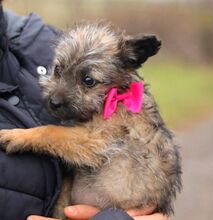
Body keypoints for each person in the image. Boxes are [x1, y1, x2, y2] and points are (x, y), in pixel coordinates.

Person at [0, 1, 168, 220]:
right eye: (58, 71)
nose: (57, 96)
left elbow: (91, 144)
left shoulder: (34, 38)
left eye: (88, 82)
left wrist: (34, 137)